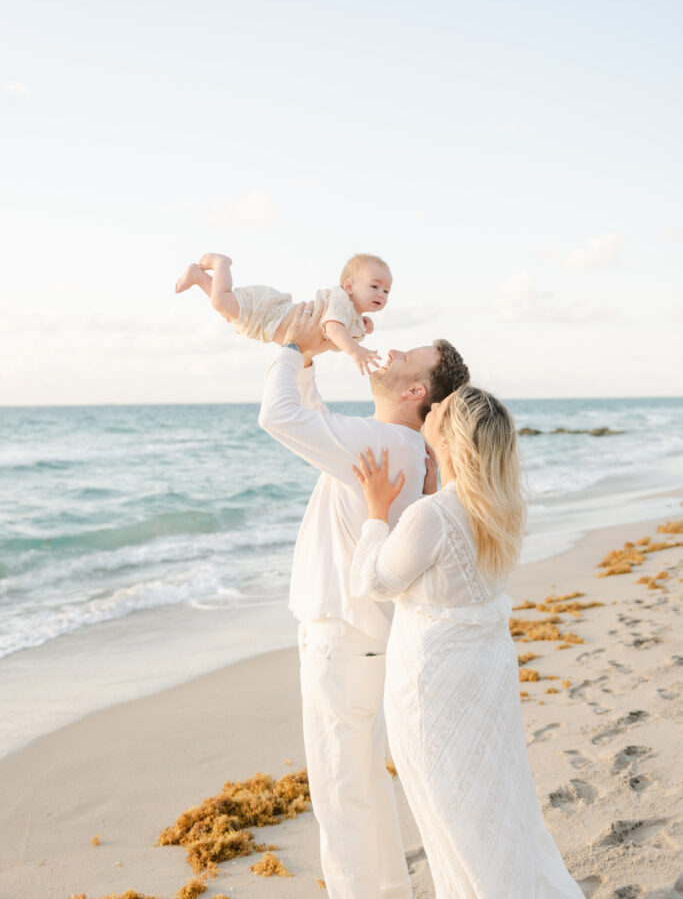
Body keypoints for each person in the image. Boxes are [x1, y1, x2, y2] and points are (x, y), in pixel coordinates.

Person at [257, 297, 470, 899]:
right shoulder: (396, 446)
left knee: (341, 791)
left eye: (410, 357)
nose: (393, 351)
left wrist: (296, 349)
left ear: (417, 392)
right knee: (361, 785)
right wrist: (311, 358)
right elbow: (314, 418)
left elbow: (279, 417)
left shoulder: (379, 445)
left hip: (343, 636)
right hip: (365, 639)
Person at [349, 386, 584, 899]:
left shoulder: (431, 515)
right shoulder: (500, 505)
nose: (430, 408)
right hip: (486, 671)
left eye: (441, 409)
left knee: (452, 813)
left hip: (436, 686)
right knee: (497, 800)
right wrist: (425, 492)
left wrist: (374, 510)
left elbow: (376, 583)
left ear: (452, 439)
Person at [175, 251, 392, 375]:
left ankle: (197, 275)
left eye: (386, 291)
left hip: (266, 326)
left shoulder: (350, 316)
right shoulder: (340, 300)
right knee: (222, 301)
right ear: (349, 286)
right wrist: (355, 351)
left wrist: (362, 324)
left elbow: (336, 335)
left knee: (229, 311)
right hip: (269, 312)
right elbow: (334, 329)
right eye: (374, 287)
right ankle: (221, 263)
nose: (381, 294)